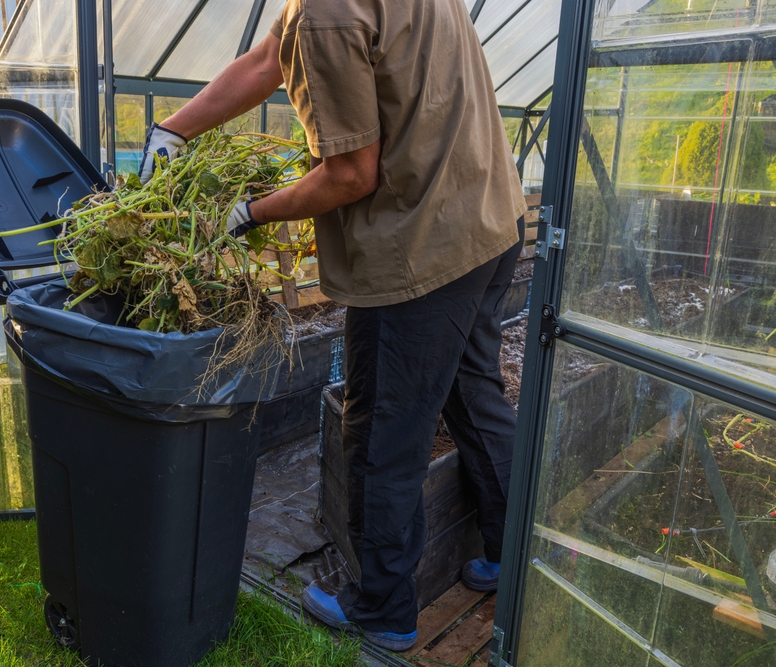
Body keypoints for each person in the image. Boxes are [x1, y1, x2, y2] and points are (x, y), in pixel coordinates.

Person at [138, 0, 525, 652]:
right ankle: (508, 557)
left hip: (421, 250)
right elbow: (270, 56)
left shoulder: (324, 10)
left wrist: (247, 211)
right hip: (486, 220)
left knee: (380, 433)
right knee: (472, 389)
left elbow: (350, 174)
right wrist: (172, 132)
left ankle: (383, 607)